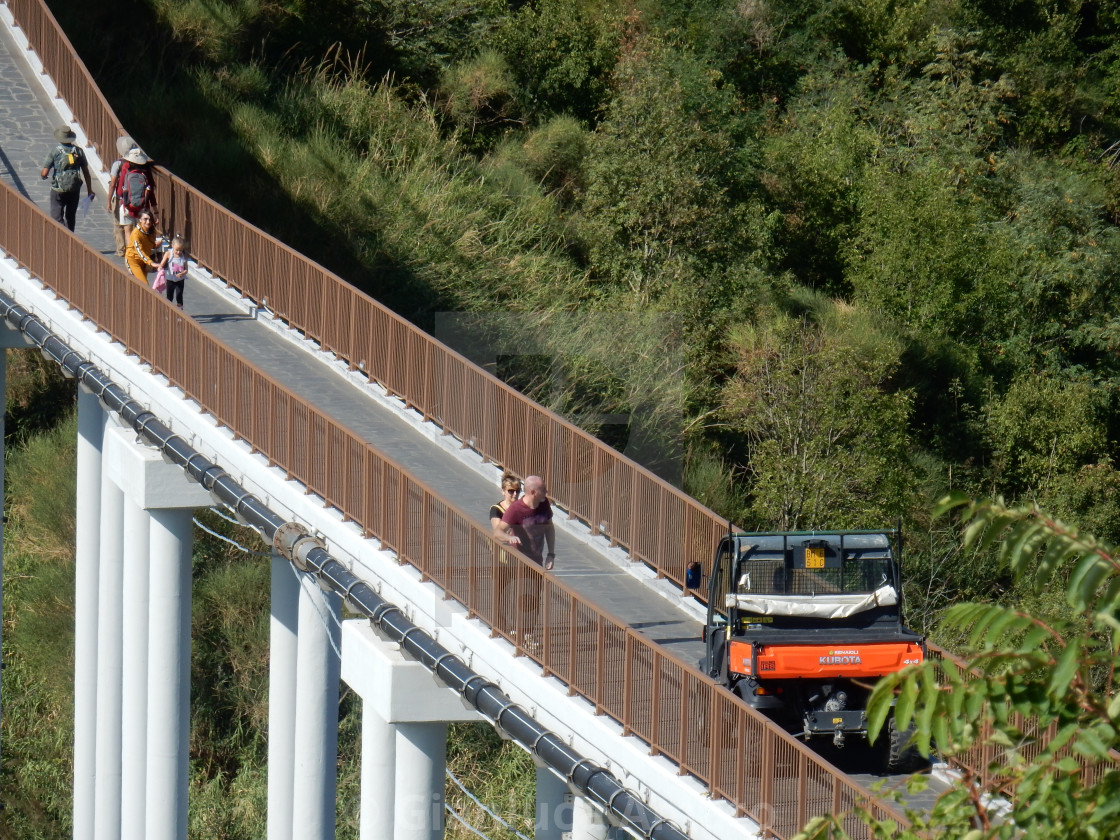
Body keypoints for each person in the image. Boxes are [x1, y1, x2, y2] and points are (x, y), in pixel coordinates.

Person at [495, 475, 557, 570]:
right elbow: (497, 532)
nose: (546, 491)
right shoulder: (516, 509)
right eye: (543, 489)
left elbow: (549, 528)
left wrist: (551, 555)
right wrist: (509, 537)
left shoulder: (544, 504)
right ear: (533, 492)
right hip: (517, 563)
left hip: (536, 562)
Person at [40, 126, 93, 232]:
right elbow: (86, 173)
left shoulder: (55, 151)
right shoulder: (79, 152)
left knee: (56, 216)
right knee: (71, 216)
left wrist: (43, 176)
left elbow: (44, 172)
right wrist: (89, 190)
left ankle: (64, 233)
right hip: (74, 188)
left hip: (58, 188)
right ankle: (71, 238)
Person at [113, 147, 157, 246]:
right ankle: (140, 255)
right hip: (143, 207)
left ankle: (130, 255)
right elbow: (150, 191)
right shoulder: (145, 170)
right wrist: (155, 211)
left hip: (127, 206)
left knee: (128, 231)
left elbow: (120, 191)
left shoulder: (125, 167)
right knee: (141, 232)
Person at [106, 135, 136, 256]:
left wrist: (108, 201)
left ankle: (121, 249)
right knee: (133, 224)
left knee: (118, 223)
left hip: (120, 198)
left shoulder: (118, 164)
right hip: (135, 199)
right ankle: (133, 248)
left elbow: (113, 183)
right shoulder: (137, 163)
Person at [125, 211, 162, 284]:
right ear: (140, 219)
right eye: (145, 219)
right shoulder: (136, 234)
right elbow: (139, 251)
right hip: (133, 261)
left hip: (144, 262)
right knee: (145, 285)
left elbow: (150, 243)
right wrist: (151, 263)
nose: (148, 222)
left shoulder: (152, 231)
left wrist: (155, 245)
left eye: (150, 219)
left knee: (141, 285)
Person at [158, 234, 189, 308]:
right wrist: (160, 267)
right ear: (172, 246)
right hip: (170, 279)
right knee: (169, 296)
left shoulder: (183, 256)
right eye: (177, 250)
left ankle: (180, 312)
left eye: (180, 250)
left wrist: (182, 273)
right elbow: (162, 263)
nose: (178, 252)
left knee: (179, 296)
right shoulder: (169, 254)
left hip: (180, 280)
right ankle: (168, 311)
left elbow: (186, 269)